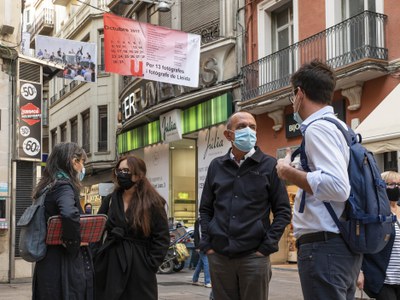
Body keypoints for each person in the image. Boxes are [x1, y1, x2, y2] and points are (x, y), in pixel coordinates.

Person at [276, 59, 362, 300]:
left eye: (293, 95)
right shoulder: (339, 127)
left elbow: (337, 186)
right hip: (338, 246)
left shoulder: (318, 128)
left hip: (325, 248)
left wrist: (287, 172)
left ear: (300, 93)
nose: (293, 101)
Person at [199, 111, 291, 300]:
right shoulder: (216, 166)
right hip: (220, 256)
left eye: (253, 127)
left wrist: (266, 246)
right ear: (228, 135)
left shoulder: (269, 165)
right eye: (241, 127)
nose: (248, 131)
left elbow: (283, 211)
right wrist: (208, 244)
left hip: (254, 257)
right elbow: (206, 209)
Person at [94, 155, 170, 300]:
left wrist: (150, 264)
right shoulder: (110, 200)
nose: (121, 174)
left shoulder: (153, 202)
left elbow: (162, 237)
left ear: (139, 174)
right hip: (110, 263)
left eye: (126, 171)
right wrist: (96, 256)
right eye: (119, 170)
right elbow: (97, 229)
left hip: (139, 266)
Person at [32, 142, 92, 300]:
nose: (82, 167)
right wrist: (73, 243)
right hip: (63, 264)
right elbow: (69, 213)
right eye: (82, 162)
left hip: (47, 261)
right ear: (74, 161)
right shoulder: (64, 186)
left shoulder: (47, 186)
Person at [357, 171, 400, 299]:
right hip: (381, 278)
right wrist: (359, 271)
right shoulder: (375, 213)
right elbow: (361, 241)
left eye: (399, 184)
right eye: (392, 184)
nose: (397, 188)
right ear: (381, 186)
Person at [192, 217, 211, 288]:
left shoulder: (201, 221)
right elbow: (197, 234)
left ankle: (195, 279)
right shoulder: (201, 221)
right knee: (207, 263)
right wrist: (197, 246)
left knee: (200, 264)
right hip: (202, 246)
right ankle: (207, 282)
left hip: (202, 245)